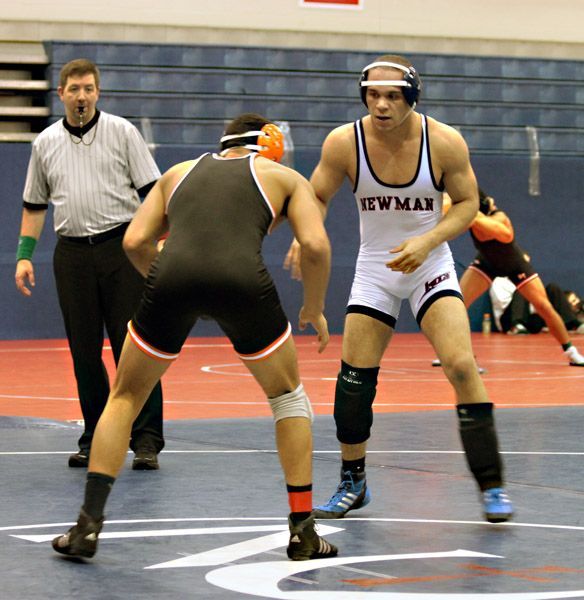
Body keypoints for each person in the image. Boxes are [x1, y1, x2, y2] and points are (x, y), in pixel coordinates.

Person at [51, 113, 338, 561]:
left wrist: (170, 283)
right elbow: (316, 246)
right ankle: (302, 531)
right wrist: (313, 307)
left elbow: (134, 242)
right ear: (270, 145)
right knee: (288, 399)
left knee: (124, 397)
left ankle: (87, 527)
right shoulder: (285, 177)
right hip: (243, 281)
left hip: (170, 278)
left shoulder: (177, 173)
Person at [285, 55, 513, 523]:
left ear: (411, 97)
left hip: (429, 264)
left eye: (392, 96)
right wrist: (305, 233)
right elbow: (316, 196)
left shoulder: (443, 142)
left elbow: (467, 203)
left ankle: (491, 483)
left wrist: (428, 240)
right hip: (376, 267)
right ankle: (354, 482)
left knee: (461, 365)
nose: (381, 105)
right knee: (354, 379)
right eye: (373, 95)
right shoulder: (344, 142)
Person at [14, 58, 164, 469]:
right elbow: (34, 205)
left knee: (134, 347)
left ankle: (146, 440)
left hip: (122, 249)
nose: (82, 96)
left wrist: (159, 242)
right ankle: (95, 438)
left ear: (98, 93)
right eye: (74, 89)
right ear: (60, 94)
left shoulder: (122, 132)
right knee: (83, 352)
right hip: (73, 255)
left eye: (89, 89)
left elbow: (154, 193)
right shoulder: (45, 143)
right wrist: (24, 256)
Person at [458, 189, 584, 366]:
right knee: (456, 304)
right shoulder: (468, 215)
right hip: (486, 263)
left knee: (544, 306)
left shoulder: (499, 217)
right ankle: (455, 353)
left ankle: (571, 352)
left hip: (514, 263)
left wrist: (467, 214)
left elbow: (505, 234)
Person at [490, 277, 584, 335]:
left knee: (553, 288)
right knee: (522, 288)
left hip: (529, 319)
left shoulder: (526, 278)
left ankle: (572, 324)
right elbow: (503, 305)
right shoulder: (499, 281)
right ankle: (516, 326)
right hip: (509, 320)